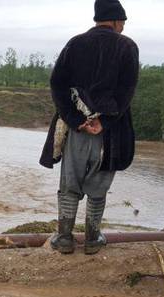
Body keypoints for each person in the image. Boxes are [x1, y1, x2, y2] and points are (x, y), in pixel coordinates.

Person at [40, 0, 140, 255]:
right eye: (123, 23)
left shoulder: (75, 43)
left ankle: (64, 239)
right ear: (117, 21)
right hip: (110, 132)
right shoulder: (127, 46)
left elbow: (57, 85)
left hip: (77, 128)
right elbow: (126, 92)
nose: (123, 27)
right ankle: (93, 240)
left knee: (69, 183)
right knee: (99, 185)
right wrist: (103, 121)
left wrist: (75, 119)